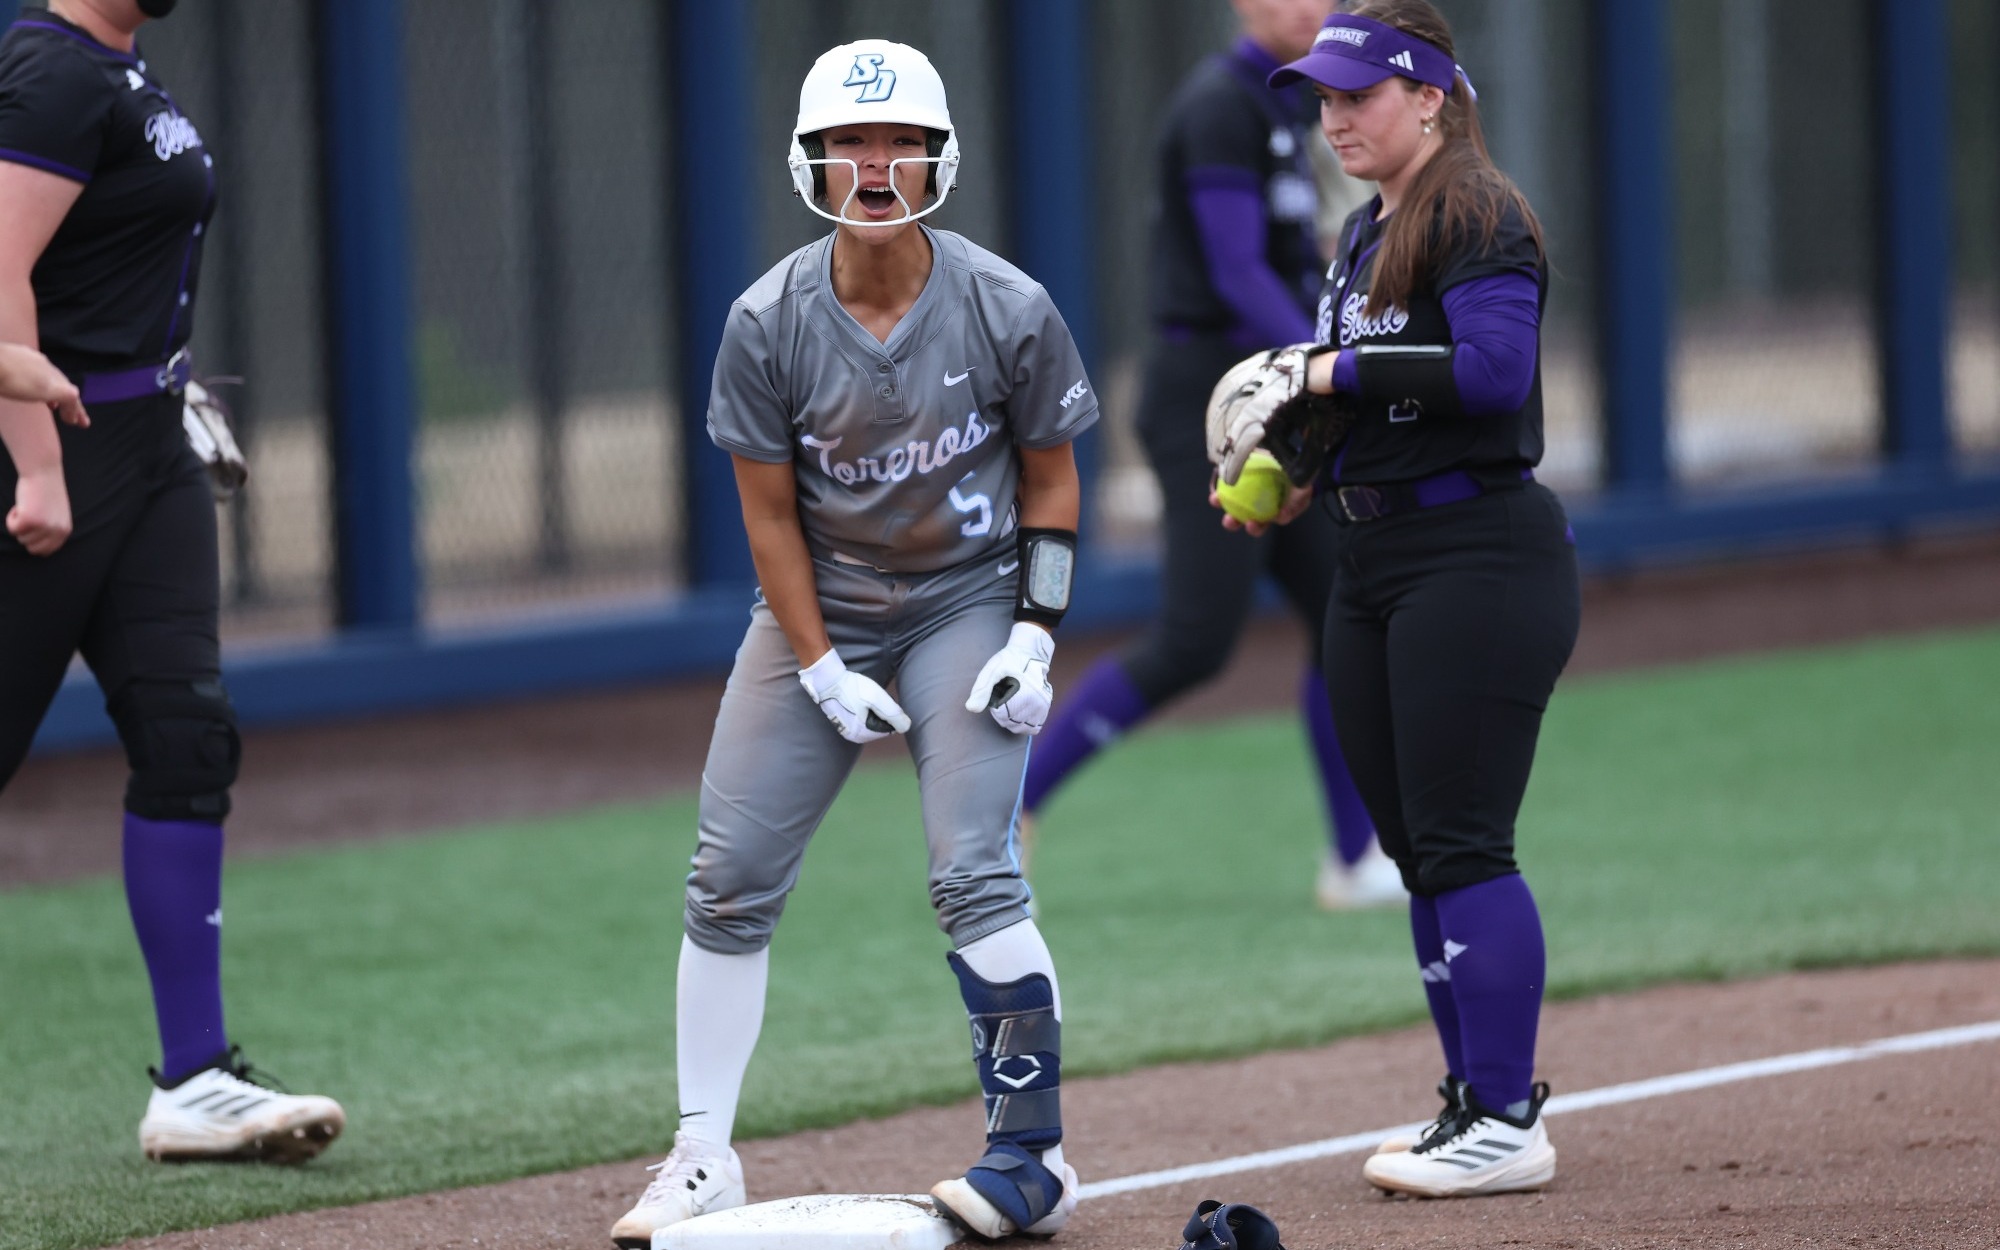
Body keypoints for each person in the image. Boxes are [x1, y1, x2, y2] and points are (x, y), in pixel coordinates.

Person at [609, 39, 1095, 1248]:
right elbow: (768, 517)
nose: (872, 168)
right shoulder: (767, 320)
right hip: (820, 603)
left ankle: (1029, 1153)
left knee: (970, 867)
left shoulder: (1006, 305)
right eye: (848, 145)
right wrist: (820, 664)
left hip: (966, 598)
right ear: (813, 160)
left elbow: (1054, 485)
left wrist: (1033, 636)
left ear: (933, 156)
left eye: (895, 146)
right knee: (725, 878)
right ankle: (700, 1150)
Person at [1213, 0, 1579, 1198]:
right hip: (1372, 564)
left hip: (1476, 555)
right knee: (1420, 850)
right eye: (1319, 100)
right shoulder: (1362, 233)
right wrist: (1282, 475)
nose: (1332, 119)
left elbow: (1491, 371)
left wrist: (1324, 366)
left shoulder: (1475, 211)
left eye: (1355, 96)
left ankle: (1508, 1113)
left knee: (1464, 840)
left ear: (1428, 95)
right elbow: (1344, 406)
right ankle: (1468, 1101)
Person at [0, 0, 343, 1162]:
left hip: (148, 442)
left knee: (187, 734)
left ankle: (194, 1077)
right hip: (58, 445)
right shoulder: (50, 71)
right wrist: (37, 465)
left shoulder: (117, 67)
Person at [1021, 0, 1405, 911]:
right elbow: (1236, 273)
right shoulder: (1218, 106)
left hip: (1278, 396)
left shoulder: (1295, 103)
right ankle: (1005, 806)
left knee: (1346, 617)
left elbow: (1301, 263)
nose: (1304, 8)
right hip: (1215, 400)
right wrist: (1332, 370)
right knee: (1197, 640)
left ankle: (1354, 861)